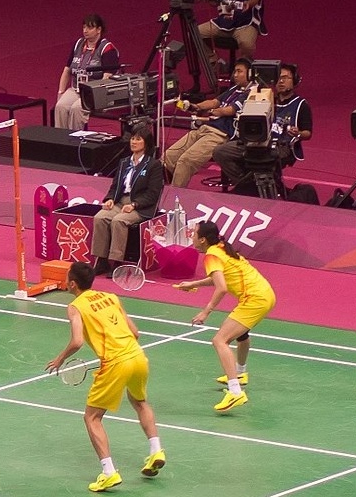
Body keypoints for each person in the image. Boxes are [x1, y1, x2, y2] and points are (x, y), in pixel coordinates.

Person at [45, 262, 166, 493]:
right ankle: (156, 450)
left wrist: (60, 358)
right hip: (138, 357)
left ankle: (109, 472)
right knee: (140, 402)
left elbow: (78, 341)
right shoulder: (111, 297)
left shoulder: (75, 306)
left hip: (115, 363)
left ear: (72, 284)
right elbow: (136, 332)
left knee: (92, 417)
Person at [176, 220, 276, 412]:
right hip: (265, 293)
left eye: (194, 234)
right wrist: (192, 284)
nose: (192, 237)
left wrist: (206, 311)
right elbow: (221, 279)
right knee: (241, 334)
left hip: (254, 299)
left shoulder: (211, 255)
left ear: (203, 239)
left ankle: (235, 392)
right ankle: (240, 373)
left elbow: (221, 287)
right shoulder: (221, 247)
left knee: (220, 340)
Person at [212, 63, 311, 192]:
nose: (281, 81)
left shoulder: (300, 104)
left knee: (263, 159)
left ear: (295, 81)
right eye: (279, 78)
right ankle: (249, 185)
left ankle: (249, 188)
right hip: (256, 141)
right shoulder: (264, 98)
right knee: (220, 152)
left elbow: (308, 133)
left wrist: (298, 133)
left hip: (281, 145)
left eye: (286, 78)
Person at [164, 58, 251, 188]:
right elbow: (214, 101)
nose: (235, 75)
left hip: (219, 135)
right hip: (204, 129)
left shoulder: (252, 93)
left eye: (239, 71)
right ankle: (158, 193)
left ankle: (173, 198)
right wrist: (195, 106)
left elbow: (230, 110)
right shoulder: (234, 88)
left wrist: (215, 111)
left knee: (185, 162)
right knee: (168, 157)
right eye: (235, 71)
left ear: (250, 73)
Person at [91, 131, 164, 274]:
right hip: (120, 202)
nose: (133, 142)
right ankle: (102, 260)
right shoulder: (124, 162)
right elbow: (114, 186)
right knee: (100, 217)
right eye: (132, 139)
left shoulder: (153, 165)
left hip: (140, 206)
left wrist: (134, 205)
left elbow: (153, 194)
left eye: (138, 139)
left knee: (119, 220)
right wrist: (110, 199)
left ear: (146, 143)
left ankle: (117, 261)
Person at [52, 14, 121, 130]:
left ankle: (74, 142)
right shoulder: (78, 44)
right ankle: (61, 141)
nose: (85, 31)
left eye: (89, 28)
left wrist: (93, 95)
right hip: (76, 89)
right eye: (84, 27)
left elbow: (106, 78)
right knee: (60, 106)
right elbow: (67, 69)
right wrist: (60, 92)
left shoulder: (107, 49)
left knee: (76, 109)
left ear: (99, 30)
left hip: (94, 93)